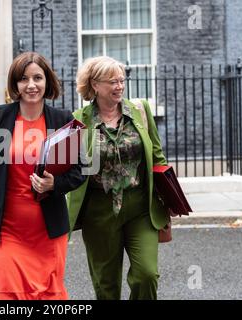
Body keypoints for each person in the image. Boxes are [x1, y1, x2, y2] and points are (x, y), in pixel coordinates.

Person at [0, 51, 86, 300]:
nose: (31, 85)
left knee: (48, 294)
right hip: (6, 227)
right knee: (9, 292)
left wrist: (55, 184)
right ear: (15, 84)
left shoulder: (63, 120)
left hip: (48, 229)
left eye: (37, 78)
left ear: (47, 81)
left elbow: (81, 169)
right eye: (23, 79)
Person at [66, 56, 169, 300]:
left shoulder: (140, 111)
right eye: (112, 81)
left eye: (122, 80)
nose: (119, 86)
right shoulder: (77, 120)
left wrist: (169, 196)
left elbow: (157, 157)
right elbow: (66, 169)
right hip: (99, 212)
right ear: (94, 85)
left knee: (147, 275)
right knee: (106, 286)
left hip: (140, 208)